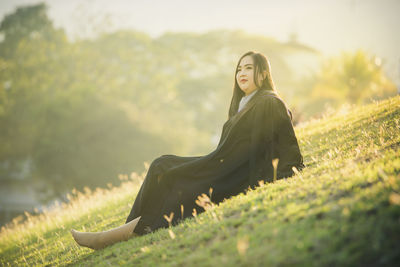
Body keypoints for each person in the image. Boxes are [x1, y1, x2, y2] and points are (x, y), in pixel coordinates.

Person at [71, 51, 304, 250]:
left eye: (249, 68)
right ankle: (131, 227)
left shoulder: (271, 102)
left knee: (175, 179)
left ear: (263, 74)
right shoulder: (242, 105)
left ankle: (111, 237)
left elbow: (289, 147)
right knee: (161, 164)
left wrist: (282, 176)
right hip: (220, 167)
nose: (241, 73)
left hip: (236, 178)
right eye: (238, 68)